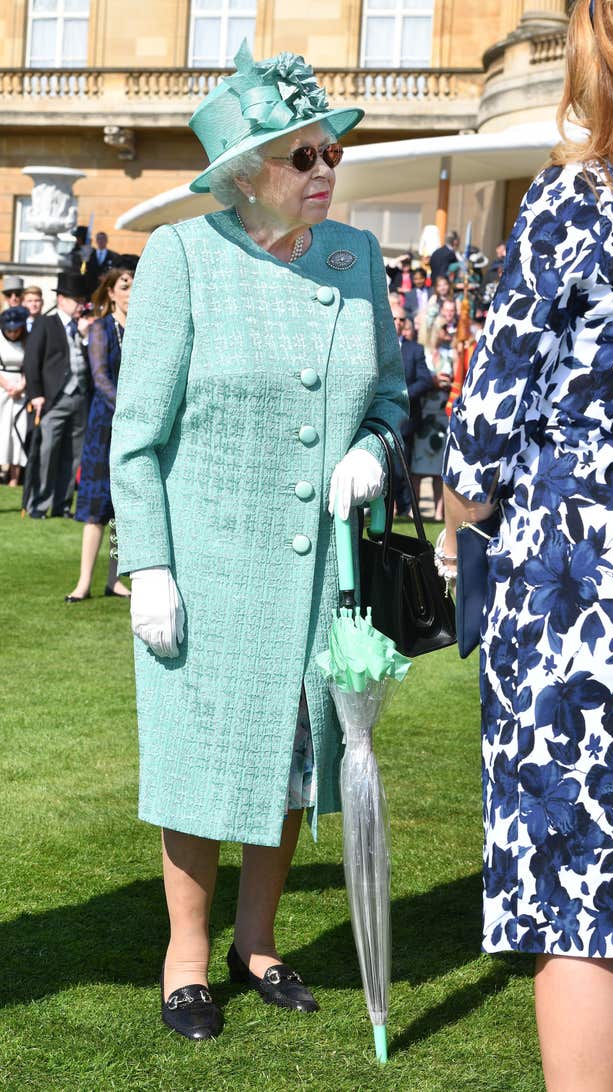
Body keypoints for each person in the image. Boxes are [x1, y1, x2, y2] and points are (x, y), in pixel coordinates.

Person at [110, 40, 407, 1043]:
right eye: (304, 159)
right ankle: (185, 957)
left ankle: (259, 939)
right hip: (209, 563)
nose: (326, 174)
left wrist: (373, 446)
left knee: (298, 758)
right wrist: (147, 563)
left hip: (322, 569)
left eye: (331, 157)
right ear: (245, 174)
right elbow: (137, 434)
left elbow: (397, 398)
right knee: (201, 761)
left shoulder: (354, 260)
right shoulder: (184, 257)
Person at [441, 2, 613, 1088]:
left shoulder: (577, 201)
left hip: (581, 590)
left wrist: (457, 517)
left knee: (584, 896)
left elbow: (483, 429)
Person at [65, 268, 133, 603]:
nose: (131, 291)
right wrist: (129, 409)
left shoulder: (144, 330)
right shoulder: (100, 329)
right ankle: (83, 583)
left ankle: (115, 579)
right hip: (104, 427)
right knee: (96, 508)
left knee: (124, 509)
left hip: (134, 426)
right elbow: (100, 377)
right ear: (110, 292)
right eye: (125, 286)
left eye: (135, 285)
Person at [23, 271, 91, 518]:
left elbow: (90, 362)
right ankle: (39, 505)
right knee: (46, 453)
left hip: (80, 396)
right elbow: (31, 361)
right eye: (76, 299)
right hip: (53, 399)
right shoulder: (45, 323)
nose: (81, 304)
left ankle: (62, 505)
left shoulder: (83, 328)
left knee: (72, 455)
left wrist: (85, 339)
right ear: (62, 299)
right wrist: (36, 394)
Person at [389, 300, 441, 517]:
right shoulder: (374, 345)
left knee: (402, 466)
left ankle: (404, 507)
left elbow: (425, 380)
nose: (399, 323)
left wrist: (403, 395)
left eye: (402, 319)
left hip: (405, 416)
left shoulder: (414, 349)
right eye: (394, 318)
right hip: (376, 413)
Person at [411, 298, 456, 518]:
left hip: (442, 413)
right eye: (443, 328)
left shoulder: (449, 354)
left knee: (439, 468)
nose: (446, 331)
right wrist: (434, 381)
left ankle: (439, 511)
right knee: (418, 467)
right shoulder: (424, 353)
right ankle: (415, 509)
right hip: (425, 412)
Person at [0, 306, 29, 485]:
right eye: (9, 330)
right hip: (3, 387)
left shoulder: (28, 341)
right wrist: (7, 385)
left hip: (21, 388)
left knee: (18, 429)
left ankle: (14, 477)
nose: (12, 333)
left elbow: (31, 364)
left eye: (16, 330)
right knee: (2, 429)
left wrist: (21, 386)